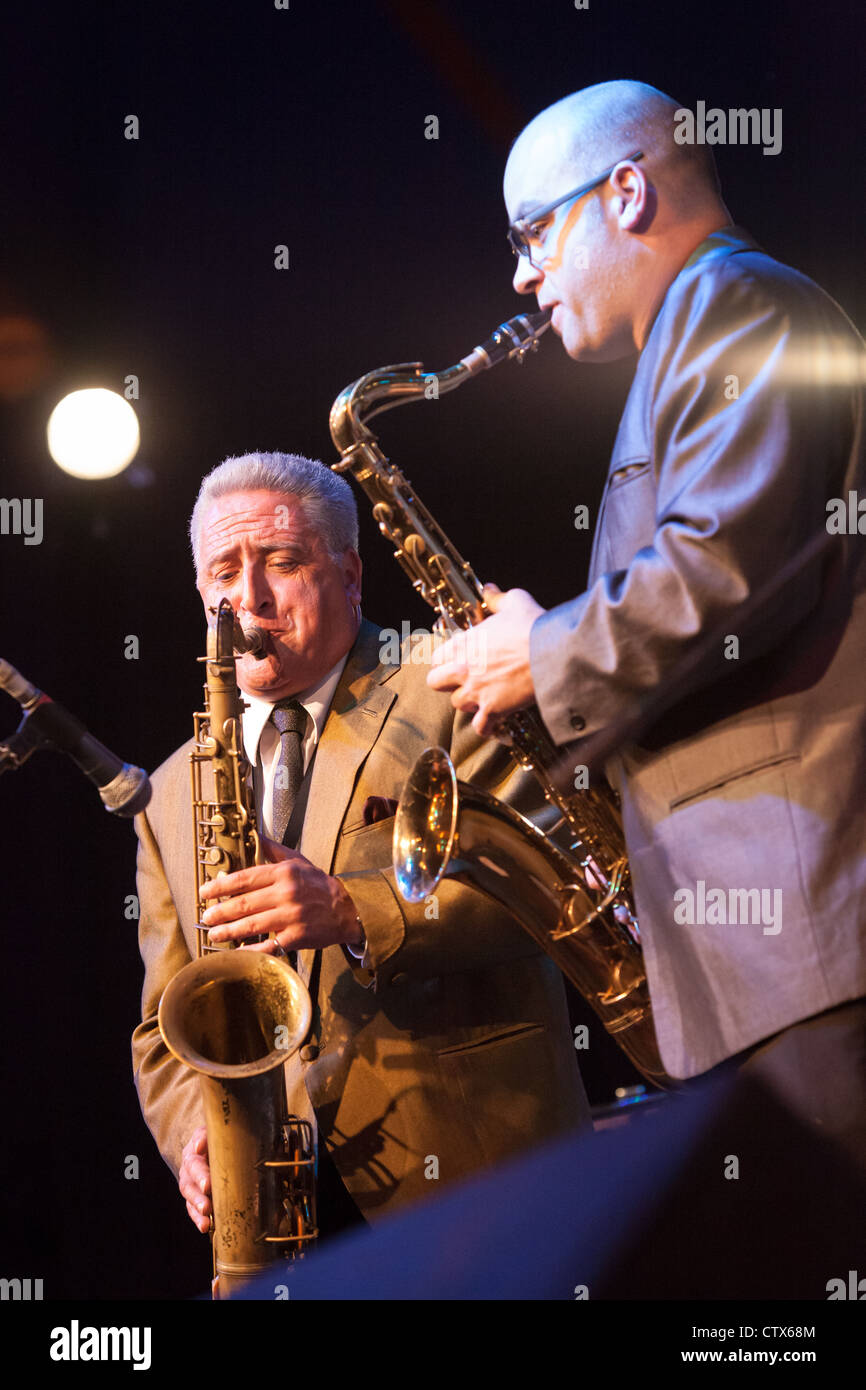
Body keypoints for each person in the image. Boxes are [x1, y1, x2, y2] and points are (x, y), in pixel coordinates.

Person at [428, 81, 866, 1165]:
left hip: (800, 925)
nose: (522, 275)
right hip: (758, 950)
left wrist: (538, 651)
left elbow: (724, 565)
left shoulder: (737, 304)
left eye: (533, 233)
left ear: (624, 192)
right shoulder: (699, 328)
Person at [132, 451, 590, 1242]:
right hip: (281, 1211)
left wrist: (353, 910)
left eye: (281, 562)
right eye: (224, 573)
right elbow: (163, 1024)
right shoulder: (168, 791)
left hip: (481, 1176)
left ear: (349, 574)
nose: (249, 599)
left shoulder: (455, 683)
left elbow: (562, 888)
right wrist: (190, 1143)